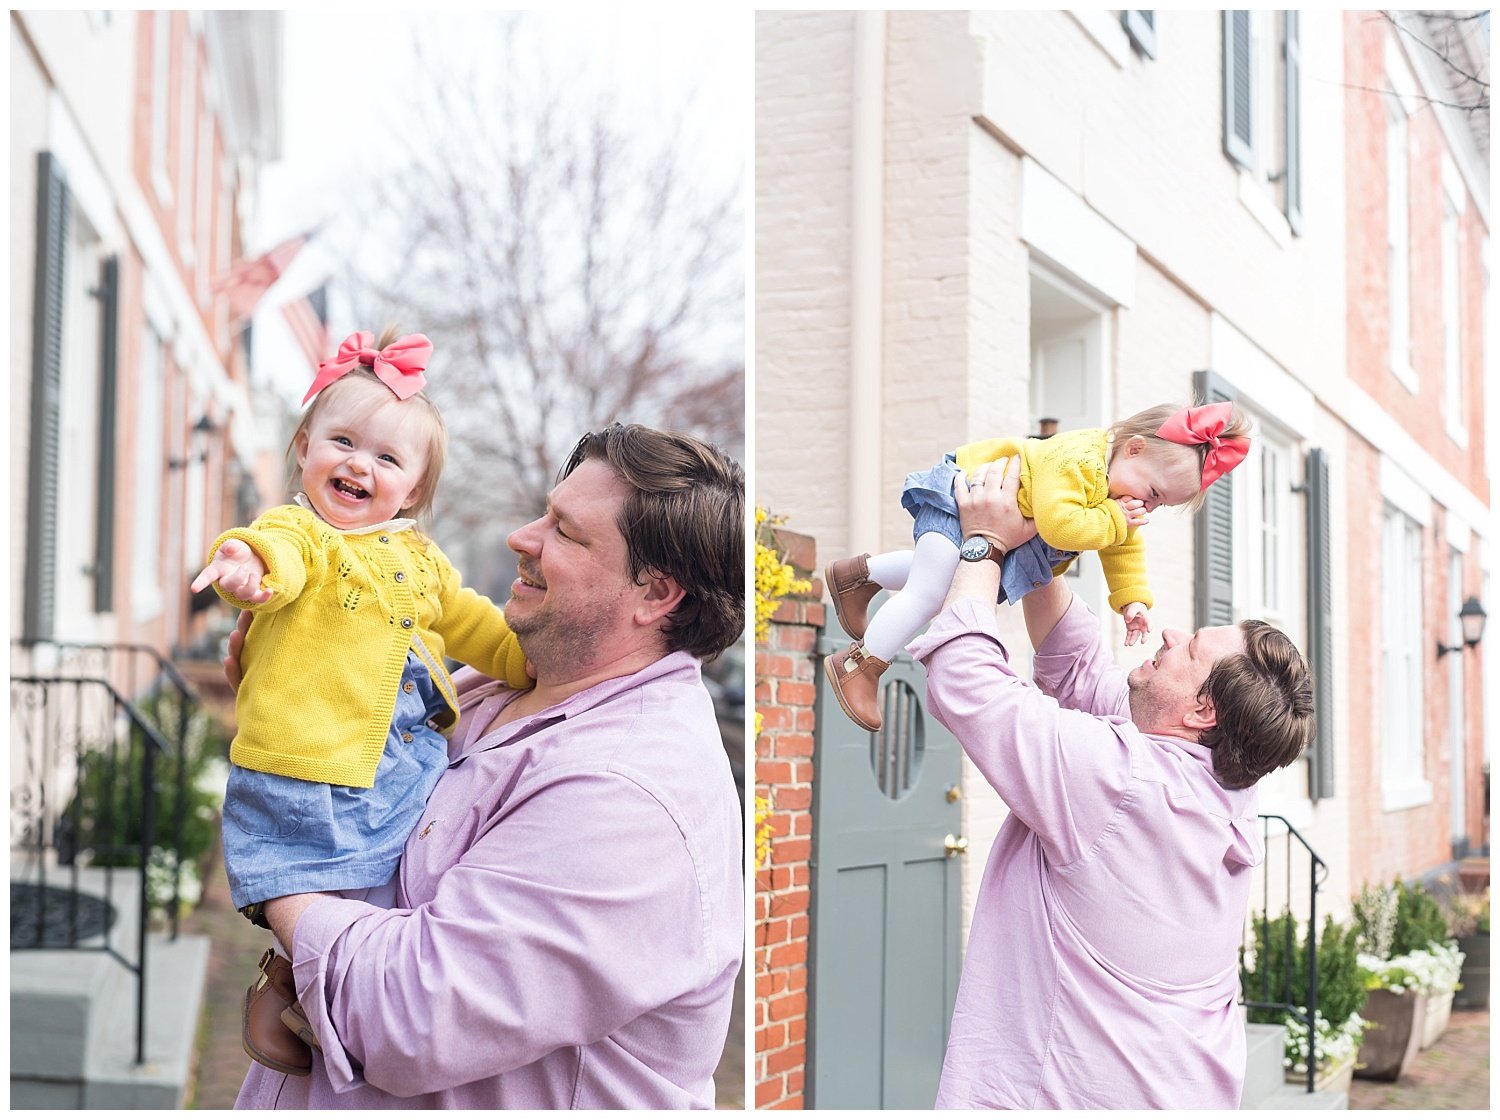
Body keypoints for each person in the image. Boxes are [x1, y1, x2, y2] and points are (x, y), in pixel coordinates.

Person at [230, 422, 745, 1109]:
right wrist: (288, 703)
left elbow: (412, 1015)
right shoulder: (496, 686)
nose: (522, 538)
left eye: (565, 532)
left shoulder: (632, 793)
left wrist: (276, 868)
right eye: (545, 512)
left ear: (656, 595)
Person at [909, 455, 1313, 1110]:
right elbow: (1080, 673)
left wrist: (984, 543)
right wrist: (1041, 549)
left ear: (1204, 710)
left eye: (1192, 649)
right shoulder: (1222, 778)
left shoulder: (1125, 782)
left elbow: (966, 683)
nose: (1173, 634)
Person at [190, 328, 534, 1075]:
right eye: (341, 441)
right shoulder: (303, 530)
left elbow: (475, 624)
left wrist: (530, 660)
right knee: (318, 887)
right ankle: (295, 981)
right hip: (310, 766)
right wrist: (243, 567)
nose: (358, 464)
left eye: (386, 458)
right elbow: (270, 553)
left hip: (397, 764)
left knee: (385, 896)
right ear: (305, 447)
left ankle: (316, 993)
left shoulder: (420, 559)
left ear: (411, 490)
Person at [823, 400, 1251, 731]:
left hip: (980, 512)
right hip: (964, 494)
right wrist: (1113, 521)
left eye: (1159, 504)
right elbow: (1059, 524)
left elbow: (1123, 545)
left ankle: (860, 576)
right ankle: (859, 666)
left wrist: (1132, 599)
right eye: (1153, 491)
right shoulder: (1078, 459)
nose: (1148, 506)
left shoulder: (1116, 490)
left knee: (940, 574)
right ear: (1134, 449)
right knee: (930, 592)